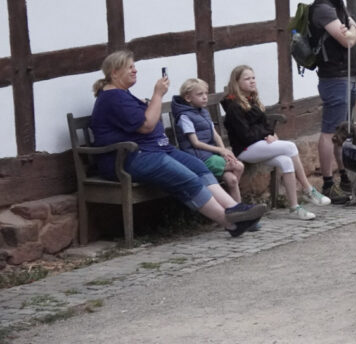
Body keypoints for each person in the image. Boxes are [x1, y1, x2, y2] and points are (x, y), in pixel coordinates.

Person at [89, 51, 264, 237]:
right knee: (187, 177)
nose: (135, 70)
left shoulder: (122, 94)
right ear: (114, 73)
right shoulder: (112, 97)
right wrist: (157, 95)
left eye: (134, 66)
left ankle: (236, 209)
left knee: (198, 167)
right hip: (130, 158)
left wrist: (147, 103)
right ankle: (230, 223)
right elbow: (147, 125)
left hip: (156, 150)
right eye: (130, 67)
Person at [221, 64, 329, 219]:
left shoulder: (252, 100)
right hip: (245, 150)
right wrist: (267, 134)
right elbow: (246, 135)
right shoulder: (234, 106)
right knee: (290, 147)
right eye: (247, 79)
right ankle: (308, 189)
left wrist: (271, 135)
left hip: (259, 145)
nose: (252, 81)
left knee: (286, 161)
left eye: (253, 78)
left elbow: (265, 125)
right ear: (236, 82)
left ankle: (294, 207)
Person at [309, 0, 356, 204]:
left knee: (343, 130)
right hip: (334, 76)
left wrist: (351, 33)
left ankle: (345, 179)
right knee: (330, 130)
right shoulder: (323, 7)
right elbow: (348, 39)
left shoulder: (337, 3)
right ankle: (329, 183)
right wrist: (351, 33)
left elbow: (355, 32)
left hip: (346, 74)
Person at [172, 78, 245, 204]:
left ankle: (238, 213)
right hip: (199, 159)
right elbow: (195, 143)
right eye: (200, 94)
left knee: (232, 180)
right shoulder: (184, 117)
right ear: (188, 98)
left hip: (211, 155)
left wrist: (224, 151)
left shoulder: (203, 113)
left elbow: (215, 135)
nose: (205, 97)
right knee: (239, 166)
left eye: (206, 93)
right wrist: (219, 150)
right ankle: (232, 208)